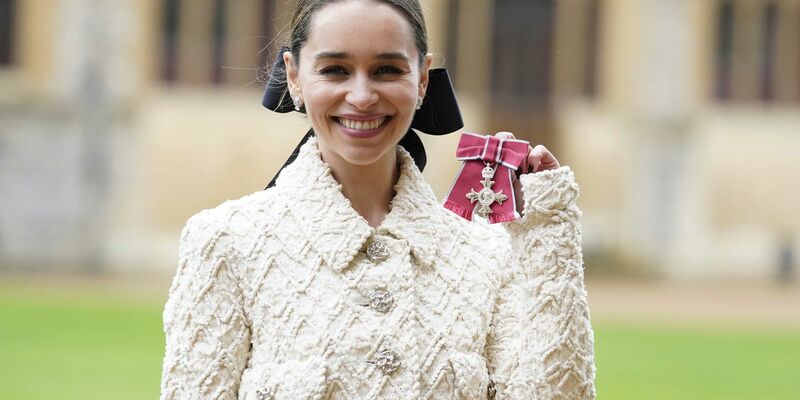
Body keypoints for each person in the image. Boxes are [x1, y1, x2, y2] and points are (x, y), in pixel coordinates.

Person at [160, 0, 596, 399]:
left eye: (387, 70)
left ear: (423, 78)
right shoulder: (224, 243)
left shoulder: (488, 254)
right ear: (294, 77)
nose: (363, 96)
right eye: (335, 70)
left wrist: (545, 228)